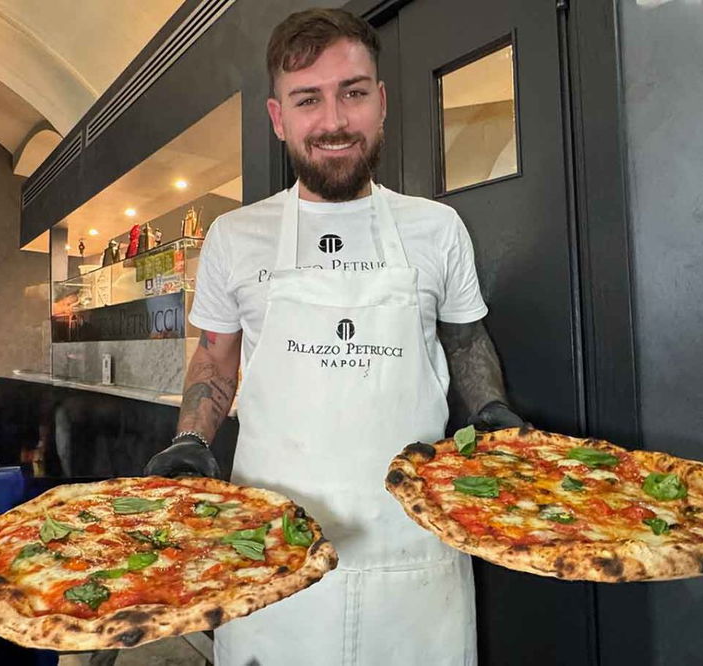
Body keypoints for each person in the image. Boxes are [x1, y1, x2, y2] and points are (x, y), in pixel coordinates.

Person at [145, 8, 524, 665]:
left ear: (381, 102)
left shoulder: (436, 228)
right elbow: (215, 357)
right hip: (270, 550)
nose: (334, 120)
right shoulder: (235, 236)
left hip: (412, 554)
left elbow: (465, 339)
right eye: (308, 99)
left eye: (352, 92)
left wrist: (490, 410)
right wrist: (190, 441)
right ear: (278, 117)